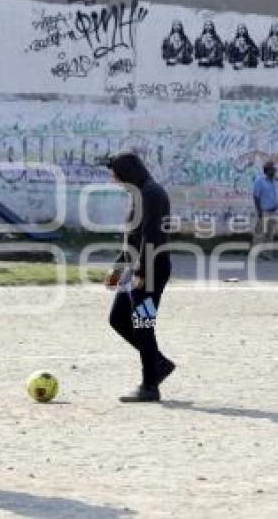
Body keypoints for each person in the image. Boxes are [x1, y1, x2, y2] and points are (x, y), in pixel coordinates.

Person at [103, 152, 176, 403]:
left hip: (150, 270)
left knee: (143, 324)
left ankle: (149, 386)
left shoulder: (152, 195)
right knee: (118, 318)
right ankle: (158, 363)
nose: (114, 181)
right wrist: (116, 269)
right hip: (136, 269)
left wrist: (142, 272)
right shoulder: (139, 193)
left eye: (116, 176)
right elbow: (132, 239)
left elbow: (152, 238)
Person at [252, 161, 278, 260]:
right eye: (273, 169)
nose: (275, 171)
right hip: (264, 211)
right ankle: (256, 254)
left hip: (273, 211)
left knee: (269, 234)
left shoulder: (273, 180)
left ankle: (267, 254)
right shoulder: (260, 181)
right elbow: (256, 196)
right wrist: (259, 211)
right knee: (260, 234)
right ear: (268, 170)